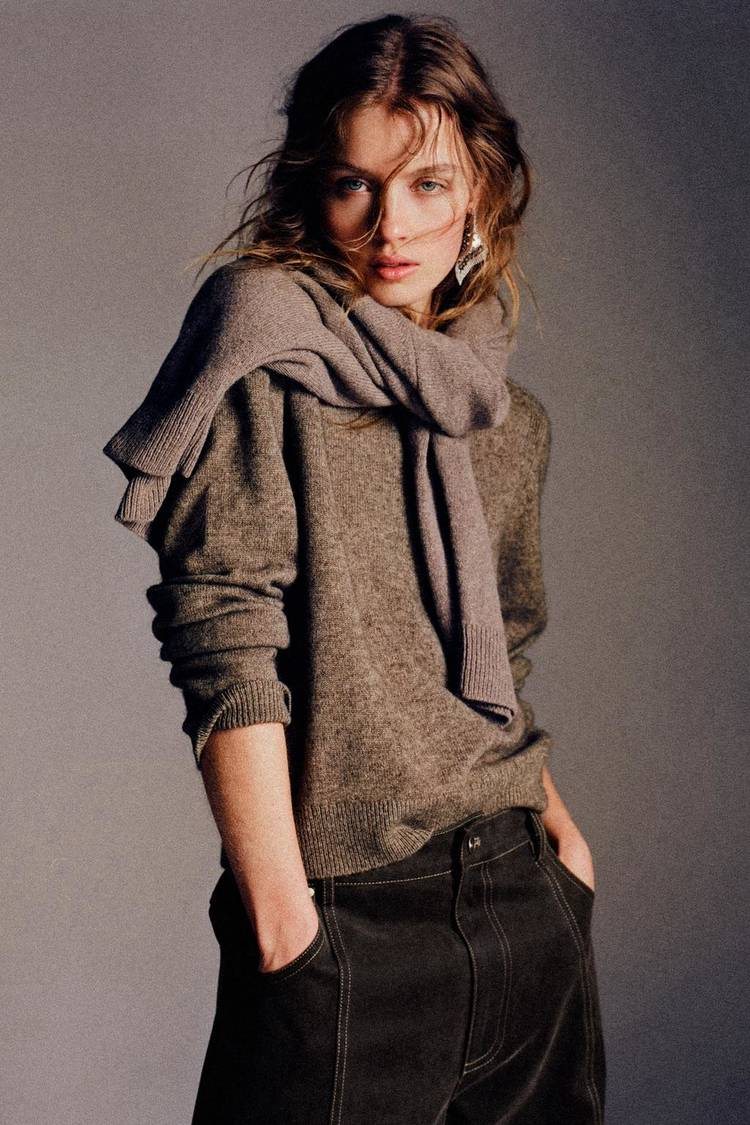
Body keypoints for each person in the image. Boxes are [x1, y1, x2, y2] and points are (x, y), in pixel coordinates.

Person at [103, 13, 606, 1124]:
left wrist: (561, 844)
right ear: (311, 189)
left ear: (480, 191)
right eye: (353, 185)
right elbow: (224, 637)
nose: (391, 225)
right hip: (345, 924)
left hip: (524, 903)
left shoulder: (506, 417)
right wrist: (284, 919)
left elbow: (498, 658)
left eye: (427, 184)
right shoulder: (260, 368)